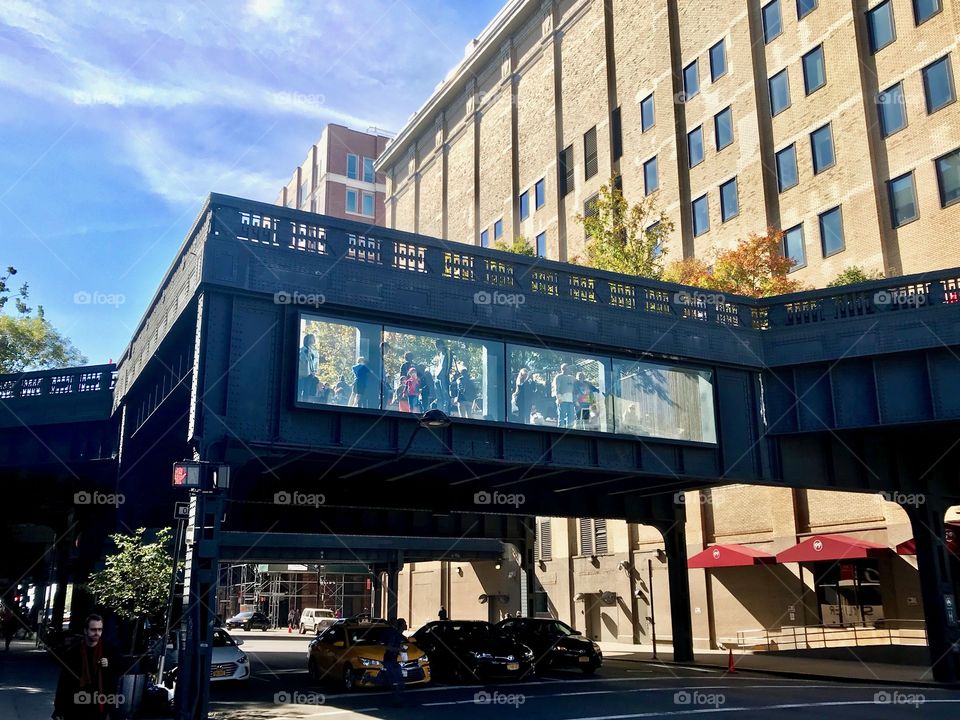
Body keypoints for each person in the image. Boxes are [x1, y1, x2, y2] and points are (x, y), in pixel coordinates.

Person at [53, 614, 119, 720]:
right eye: (93, 630)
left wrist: (109, 663)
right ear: (85, 630)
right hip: (75, 706)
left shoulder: (109, 650)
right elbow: (64, 682)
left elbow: (120, 669)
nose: (97, 633)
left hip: (99, 705)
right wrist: (58, 708)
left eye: (100, 629)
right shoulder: (73, 652)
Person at [380, 618, 408, 706]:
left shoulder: (396, 634)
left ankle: (396, 699)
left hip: (392, 660)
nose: (406, 625)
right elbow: (389, 647)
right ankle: (396, 701)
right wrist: (400, 649)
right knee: (398, 681)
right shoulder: (393, 634)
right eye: (404, 623)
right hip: (390, 660)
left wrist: (399, 651)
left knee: (394, 680)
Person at [553, 363, 576, 428]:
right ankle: (560, 432)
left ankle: (569, 433)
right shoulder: (559, 377)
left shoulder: (572, 377)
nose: (567, 369)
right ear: (562, 369)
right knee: (561, 417)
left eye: (568, 368)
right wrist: (559, 398)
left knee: (571, 418)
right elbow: (557, 388)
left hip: (570, 401)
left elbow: (578, 384)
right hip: (562, 400)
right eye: (566, 368)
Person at [432, 339, 453, 412]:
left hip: (444, 376)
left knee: (445, 394)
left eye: (437, 346)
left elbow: (449, 364)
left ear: (441, 345)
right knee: (438, 395)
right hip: (438, 377)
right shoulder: (440, 354)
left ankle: (446, 411)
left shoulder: (448, 352)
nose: (437, 348)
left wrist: (446, 375)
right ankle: (439, 410)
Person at [298, 333, 320, 401]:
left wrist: (314, 371)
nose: (313, 340)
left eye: (313, 339)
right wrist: (307, 354)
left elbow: (315, 363)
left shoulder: (314, 351)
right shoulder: (302, 350)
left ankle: (304, 403)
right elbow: (302, 360)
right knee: (300, 389)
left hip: (310, 374)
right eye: (311, 339)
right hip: (302, 374)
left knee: (307, 390)